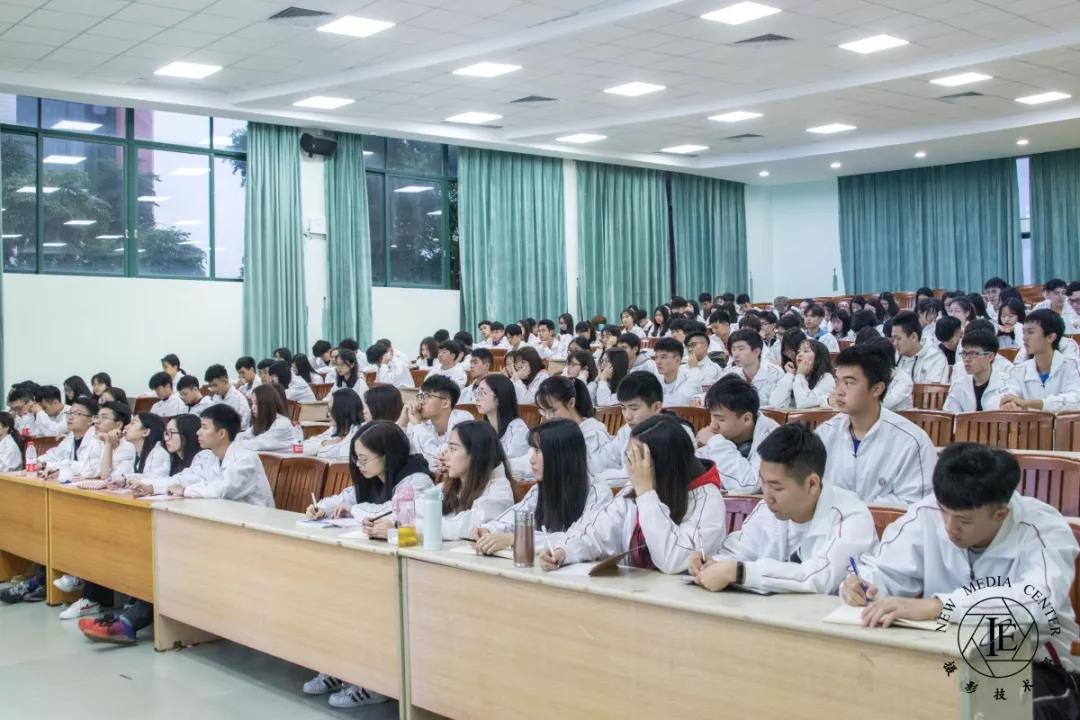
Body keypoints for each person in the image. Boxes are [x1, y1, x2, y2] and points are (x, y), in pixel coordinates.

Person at [841, 443, 1080, 718]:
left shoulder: (1043, 528)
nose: (949, 527)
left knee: (996, 711)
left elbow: (1038, 601)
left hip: (1033, 662)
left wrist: (941, 606)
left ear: (1000, 514)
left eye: (963, 521)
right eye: (944, 511)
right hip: (943, 654)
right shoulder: (926, 513)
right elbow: (884, 569)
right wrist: (864, 584)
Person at [301, 420, 433, 708]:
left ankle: (374, 683)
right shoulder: (373, 474)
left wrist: (355, 509)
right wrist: (323, 507)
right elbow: (347, 497)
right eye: (356, 459)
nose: (359, 466)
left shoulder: (416, 479)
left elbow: (392, 513)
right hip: (373, 557)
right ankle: (341, 668)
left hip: (405, 569)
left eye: (364, 459)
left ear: (387, 455)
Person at [691, 423, 876, 594]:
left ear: (812, 484)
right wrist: (711, 563)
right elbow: (738, 552)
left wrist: (741, 572)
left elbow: (819, 577)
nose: (766, 496)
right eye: (763, 483)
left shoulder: (851, 517)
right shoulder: (768, 508)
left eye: (777, 487)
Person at [539, 414, 727, 574]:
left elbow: (673, 560)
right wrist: (564, 551)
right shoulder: (635, 489)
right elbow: (597, 531)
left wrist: (646, 493)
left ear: (664, 463)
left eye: (638, 460)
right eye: (629, 458)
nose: (631, 468)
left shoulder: (707, 499)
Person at [815, 344, 936, 505]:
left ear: (877, 389)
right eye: (838, 381)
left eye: (849, 383)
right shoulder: (825, 434)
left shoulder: (911, 442)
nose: (839, 391)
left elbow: (917, 506)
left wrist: (856, 512)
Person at [473, 419, 613, 554]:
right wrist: (488, 530)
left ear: (561, 455)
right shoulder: (541, 489)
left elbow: (578, 539)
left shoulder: (598, 494)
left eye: (538, 451)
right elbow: (518, 516)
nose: (531, 459)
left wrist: (517, 538)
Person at [370, 421, 514, 541]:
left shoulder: (498, 491)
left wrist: (401, 527)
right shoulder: (451, 485)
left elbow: (461, 527)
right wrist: (382, 522)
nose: (446, 456)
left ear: (476, 453)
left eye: (453, 449)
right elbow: (418, 506)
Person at [590, 372, 692, 487]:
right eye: (623, 408)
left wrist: (594, 479)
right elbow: (606, 458)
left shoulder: (675, 434)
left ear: (656, 407)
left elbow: (635, 476)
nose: (627, 416)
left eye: (634, 408)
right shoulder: (627, 430)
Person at [163, 404, 274, 506]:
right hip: (224, 514)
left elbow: (227, 489)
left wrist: (185, 490)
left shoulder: (246, 458)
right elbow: (184, 479)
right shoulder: (206, 457)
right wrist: (154, 487)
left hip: (253, 518)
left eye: (204, 427)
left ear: (221, 433)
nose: (198, 432)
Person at [696, 376, 780, 493]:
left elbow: (749, 484)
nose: (713, 425)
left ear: (746, 419)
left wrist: (716, 443)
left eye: (720, 419)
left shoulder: (774, 438)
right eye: (712, 416)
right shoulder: (724, 434)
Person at [1000, 308, 1080, 412]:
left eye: (1030, 332)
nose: (1024, 338)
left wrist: (1032, 403)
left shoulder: (1072, 366)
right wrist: (1009, 403)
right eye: (1023, 332)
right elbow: (1009, 394)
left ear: (1050, 337)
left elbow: (1075, 400)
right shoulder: (1019, 371)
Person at [530, 376, 611, 477]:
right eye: (544, 411)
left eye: (553, 410)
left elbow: (595, 473)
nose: (548, 416)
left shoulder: (594, 435)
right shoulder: (555, 431)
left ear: (571, 403)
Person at [401, 375, 474, 472]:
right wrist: (403, 420)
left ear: (445, 403)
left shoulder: (463, 421)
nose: (421, 402)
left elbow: (439, 458)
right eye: (420, 396)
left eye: (427, 396)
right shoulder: (423, 423)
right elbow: (399, 451)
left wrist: (418, 425)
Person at [943, 329, 1010, 412]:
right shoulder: (959, 385)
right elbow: (950, 415)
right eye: (964, 353)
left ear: (990, 357)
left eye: (973, 354)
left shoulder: (1006, 384)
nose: (967, 359)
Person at [38, 396, 103, 480]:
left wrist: (54, 466)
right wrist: (38, 462)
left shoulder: (97, 438)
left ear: (91, 420)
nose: (70, 417)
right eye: (70, 413)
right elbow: (54, 455)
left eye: (78, 414)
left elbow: (89, 468)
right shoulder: (71, 436)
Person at [722, 329, 785, 405]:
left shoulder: (775, 373)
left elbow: (778, 406)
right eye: (733, 349)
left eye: (741, 349)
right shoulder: (729, 373)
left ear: (756, 351)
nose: (735, 354)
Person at [475, 374, 530, 460]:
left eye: (483, 393)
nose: (477, 398)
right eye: (477, 392)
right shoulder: (480, 428)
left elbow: (509, 461)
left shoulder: (518, 429)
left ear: (499, 398)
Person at [768, 338, 835, 409]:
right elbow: (775, 403)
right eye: (798, 352)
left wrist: (800, 375)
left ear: (818, 357)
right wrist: (790, 374)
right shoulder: (795, 376)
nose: (799, 355)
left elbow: (803, 403)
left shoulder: (827, 378)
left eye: (806, 351)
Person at [235, 384, 302, 453]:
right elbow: (244, 435)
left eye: (256, 404)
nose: (252, 408)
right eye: (252, 404)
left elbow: (258, 444)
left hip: (288, 459)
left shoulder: (282, 424)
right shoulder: (264, 421)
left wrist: (237, 443)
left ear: (267, 404)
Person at [889, 310, 949, 384]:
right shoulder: (894, 356)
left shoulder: (935, 358)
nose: (895, 343)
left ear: (914, 337)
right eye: (893, 339)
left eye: (898, 338)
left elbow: (933, 389)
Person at [303, 389, 363, 459]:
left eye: (330, 410)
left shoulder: (359, 432)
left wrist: (320, 448)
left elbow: (326, 453)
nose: (328, 415)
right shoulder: (335, 429)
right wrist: (325, 443)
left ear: (342, 411)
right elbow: (303, 446)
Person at [653, 337, 700, 406]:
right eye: (656, 357)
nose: (658, 362)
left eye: (663, 357)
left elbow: (680, 401)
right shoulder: (656, 377)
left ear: (677, 360)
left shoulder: (691, 376)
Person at [204, 364, 252, 430]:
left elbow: (244, 423)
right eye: (210, 386)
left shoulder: (239, 399)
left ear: (225, 381)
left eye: (215, 385)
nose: (213, 389)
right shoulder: (216, 398)